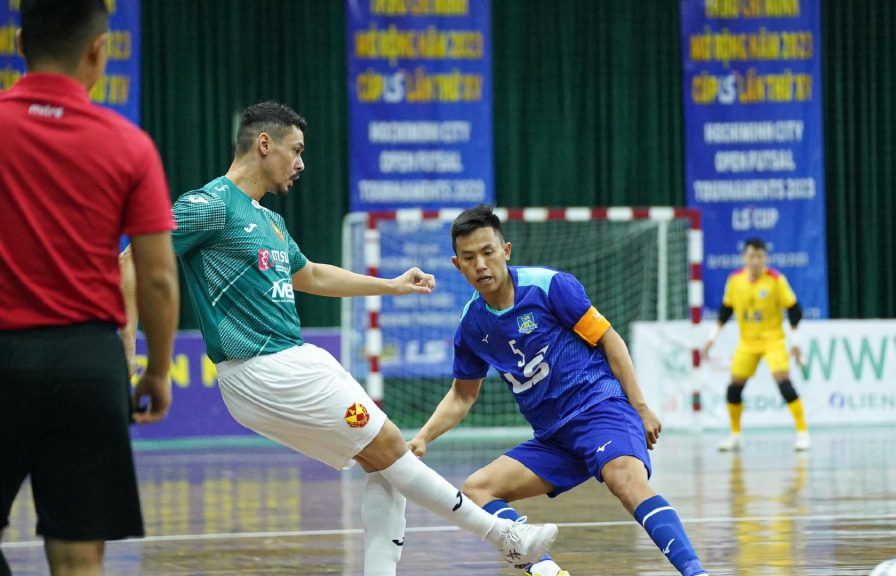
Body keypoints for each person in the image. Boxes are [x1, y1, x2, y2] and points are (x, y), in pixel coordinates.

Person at [166, 102, 557, 576]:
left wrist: (390, 285)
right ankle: (505, 537)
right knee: (391, 445)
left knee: (385, 463)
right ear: (264, 144)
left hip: (277, 370)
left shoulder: (271, 222)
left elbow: (312, 275)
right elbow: (137, 258)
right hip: (267, 366)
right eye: (296, 150)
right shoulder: (209, 204)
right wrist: (126, 338)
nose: (301, 163)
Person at [407, 205, 709, 576]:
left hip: (599, 409)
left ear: (506, 251)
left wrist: (641, 407)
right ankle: (549, 571)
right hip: (553, 439)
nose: (481, 265)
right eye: (469, 258)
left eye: (488, 252)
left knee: (625, 481)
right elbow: (462, 395)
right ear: (457, 265)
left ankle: (696, 572)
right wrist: (423, 437)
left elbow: (610, 339)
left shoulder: (549, 286)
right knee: (477, 489)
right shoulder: (471, 324)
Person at [0, 0, 180, 574]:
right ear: (98, 50)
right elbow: (156, 276)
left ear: (20, 45)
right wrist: (157, 370)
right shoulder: (129, 144)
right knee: (79, 556)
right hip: (87, 365)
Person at [702, 237, 809, 451]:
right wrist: (711, 338)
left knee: (783, 383)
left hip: (773, 340)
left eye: (760, 256)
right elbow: (725, 311)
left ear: (765, 258)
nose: (755, 261)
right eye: (751, 256)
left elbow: (794, 310)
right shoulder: (735, 280)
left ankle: (802, 433)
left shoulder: (776, 280)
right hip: (747, 343)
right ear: (744, 257)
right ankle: (735, 435)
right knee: (734, 387)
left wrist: (795, 342)